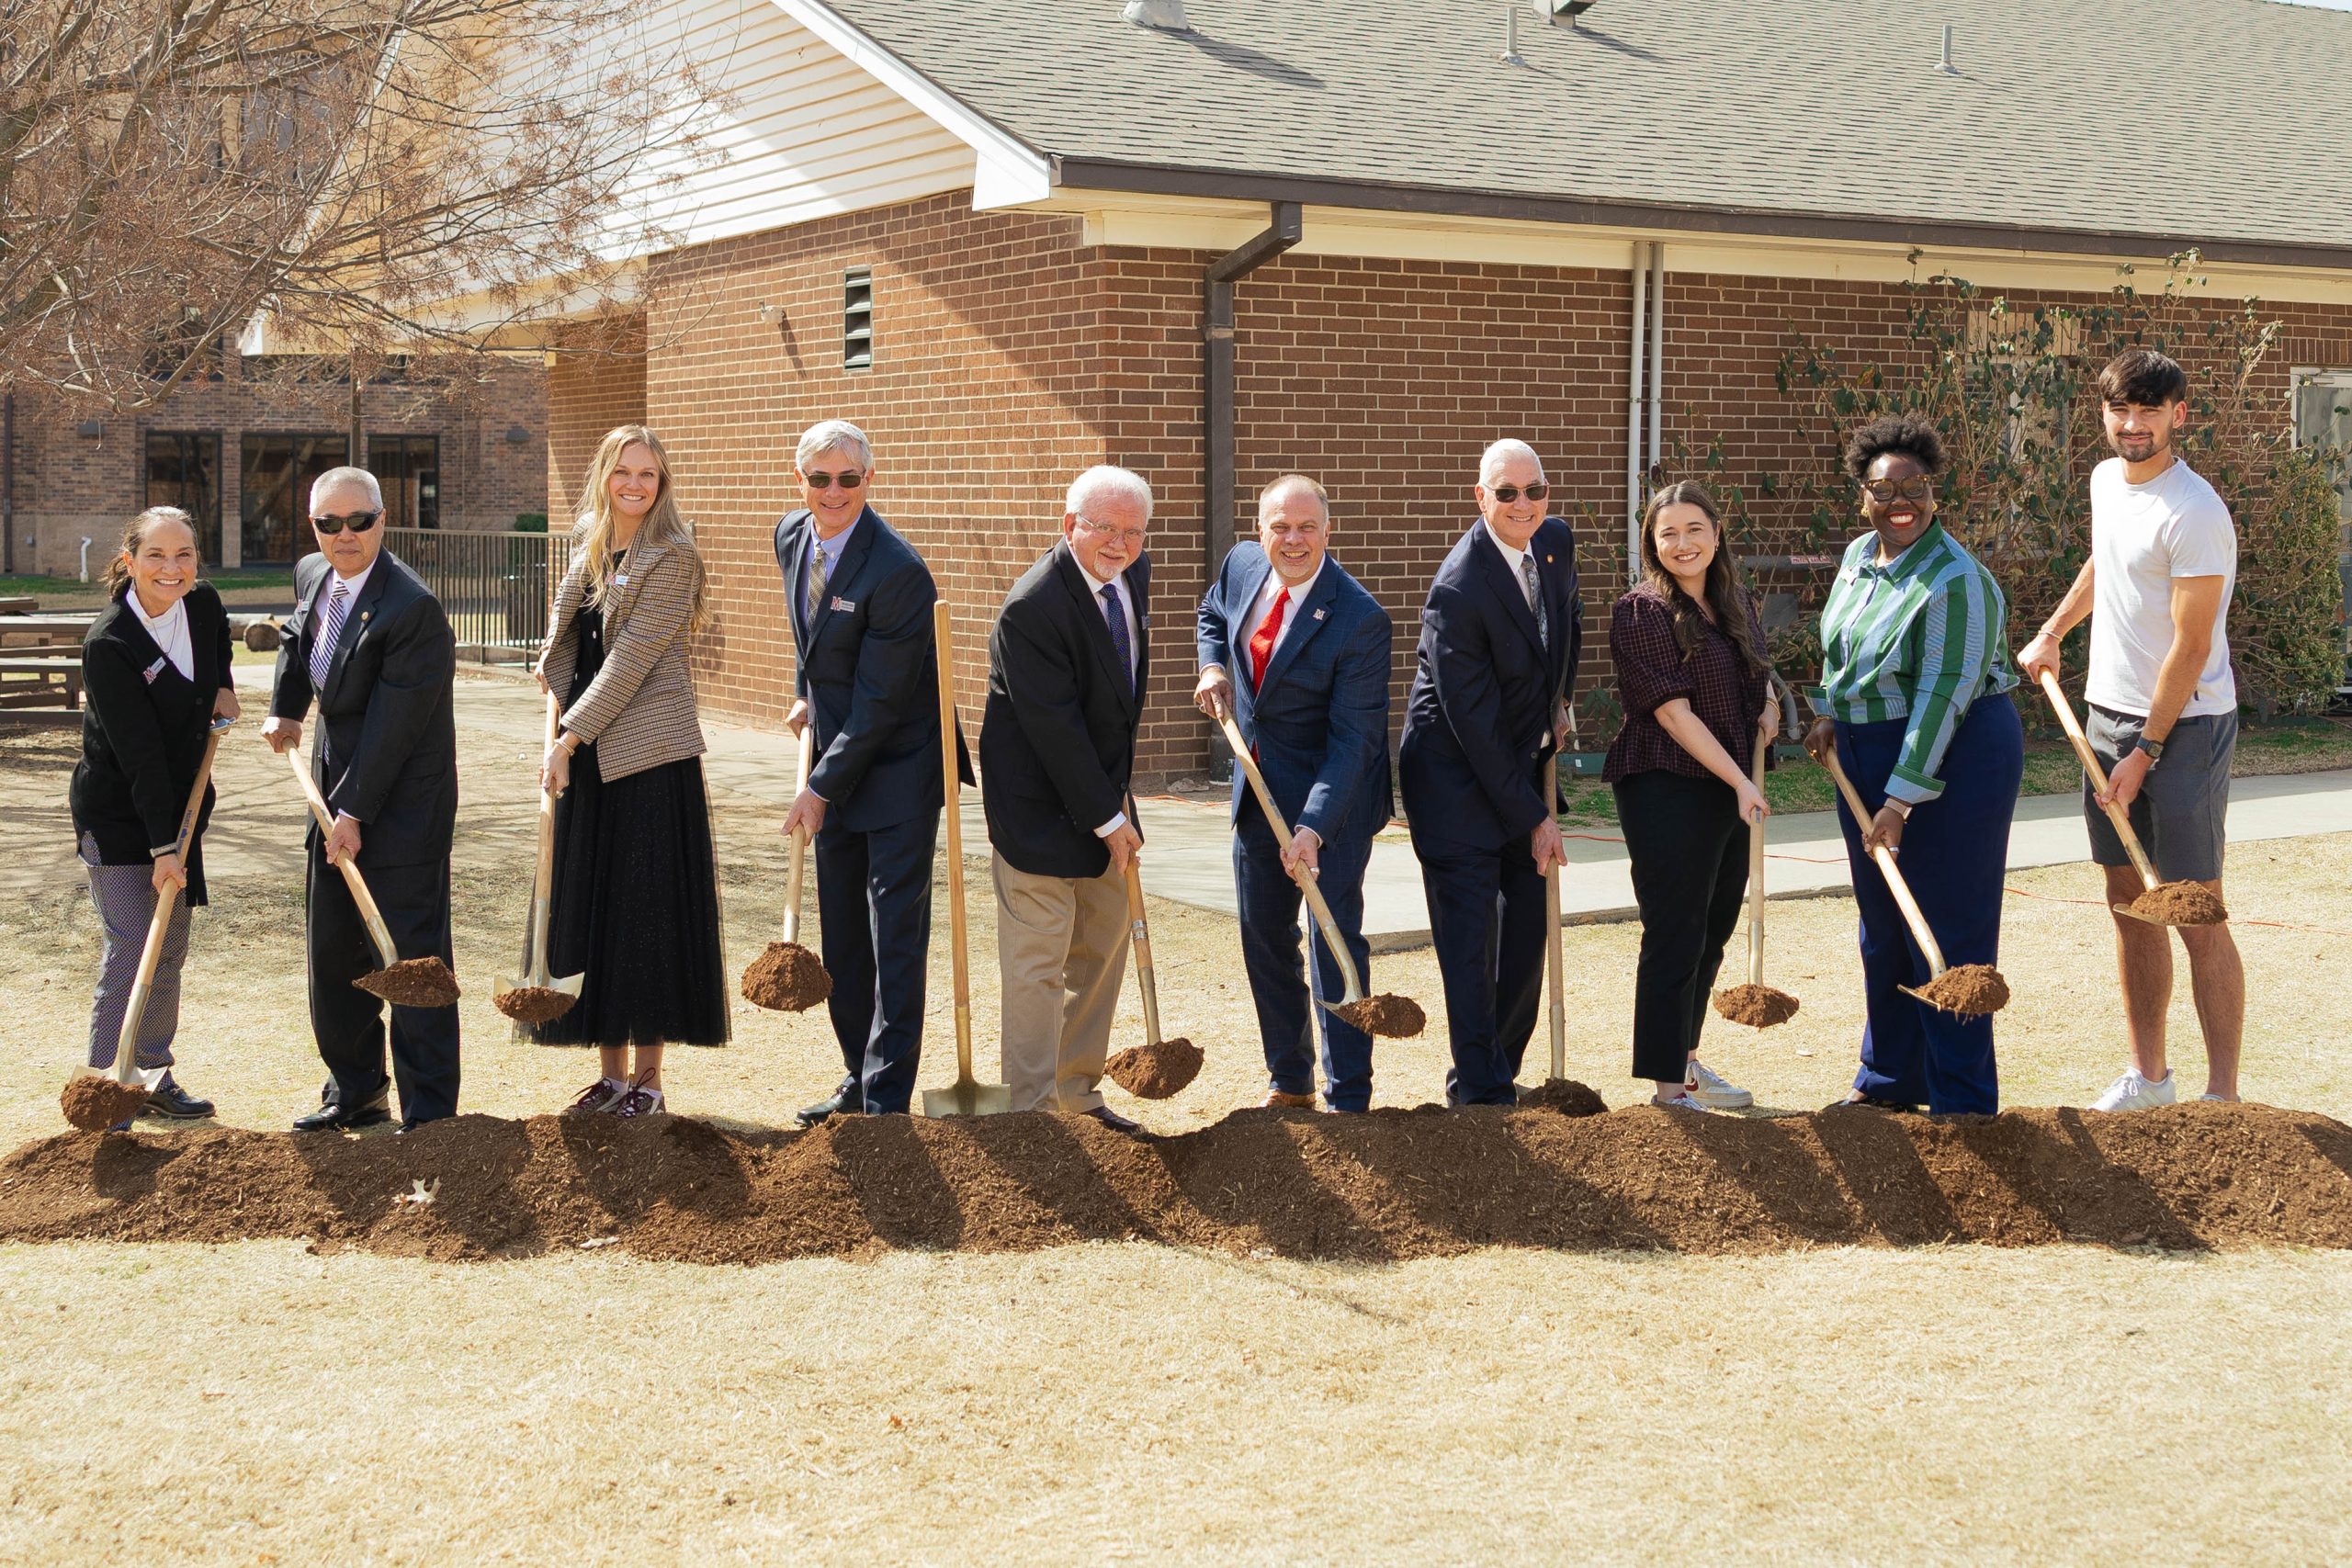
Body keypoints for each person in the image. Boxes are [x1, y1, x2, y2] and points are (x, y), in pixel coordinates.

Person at [2017, 348, 2245, 1110]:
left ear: (2179, 416)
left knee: (2191, 905)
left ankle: (2221, 1095)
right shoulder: (2105, 482)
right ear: (2104, 413)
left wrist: (2146, 750)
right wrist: (2052, 630)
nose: (2133, 425)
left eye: (2150, 411)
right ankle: (2150, 1077)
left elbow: (2190, 644)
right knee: (2127, 898)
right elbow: (2105, 562)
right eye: (2122, 410)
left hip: (2185, 725)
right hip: (2104, 716)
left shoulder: (2196, 513)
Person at [1803, 414, 2023, 1117]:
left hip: (1955, 753)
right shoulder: (1857, 558)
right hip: (1867, 746)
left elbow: (1943, 694)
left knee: (1947, 927)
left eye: (1915, 487)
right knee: (1883, 923)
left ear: (1934, 493)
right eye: (1883, 488)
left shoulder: (1957, 578)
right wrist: (1832, 710)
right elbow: (1844, 651)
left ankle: (1961, 1102)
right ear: (1861, 497)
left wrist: (1900, 800)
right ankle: (1890, 1081)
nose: (1901, 501)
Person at [773, 420, 967, 1127]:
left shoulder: (898, 571)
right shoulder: (790, 536)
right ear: (800, 481)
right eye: (819, 478)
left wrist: (820, 787)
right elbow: (811, 634)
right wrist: (804, 690)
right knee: (843, 936)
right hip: (835, 753)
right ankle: (857, 1078)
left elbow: (883, 701)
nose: (833, 492)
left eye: (848, 479)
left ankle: (885, 1105)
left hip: (898, 770)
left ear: (868, 482)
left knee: (893, 937)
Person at [531, 425, 729, 1116]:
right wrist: (552, 683)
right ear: (605, 477)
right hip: (587, 751)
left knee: (647, 916)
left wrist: (568, 738)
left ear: (663, 483)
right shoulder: (590, 542)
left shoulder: (672, 556)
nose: (636, 485)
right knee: (599, 911)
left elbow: (630, 661)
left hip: (645, 756)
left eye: (649, 474)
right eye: (625, 472)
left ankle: (649, 1080)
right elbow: (570, 638)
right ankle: (611, 1076)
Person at [265, 467, 461, 1132]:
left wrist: (354, 814)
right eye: (328, 523)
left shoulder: (413, 609)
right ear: (313, 525)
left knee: (411, 966)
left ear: (383, 518)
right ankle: (356, 1091)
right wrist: (286, 708)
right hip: (331, 796)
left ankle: (431, 1117)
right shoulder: (313, 575)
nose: (344, 535)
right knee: (335, 957)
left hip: (401, 806)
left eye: (359, 521)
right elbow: (297, 637)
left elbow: (392, 731)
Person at [1194, 474, 1393, 1112]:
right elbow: (1211, 611)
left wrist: (1311, 828)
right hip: (1256, 793)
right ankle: (1290, 1079)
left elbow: (1353, 743)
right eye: (1280, 526)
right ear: (1261, 532)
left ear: (1328, 531)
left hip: (1330, 803)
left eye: (1308, 527)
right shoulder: (1243, 566)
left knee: (1334, 938)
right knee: (1264, 936)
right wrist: (1213, 666)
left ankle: (1349, 1093)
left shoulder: (1360, 619)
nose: (1294, 539)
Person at [1397, 439, 1581, 1107]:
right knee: (1472, 943)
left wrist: (1557, 700)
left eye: (1533, 490)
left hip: (1518, 763)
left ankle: (1497, 1066)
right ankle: (1480, 1095)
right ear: (1481, 498)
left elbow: (1568, 620)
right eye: (1505, 493)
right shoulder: (1459, 587)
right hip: (1454, 780)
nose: (1522, 505)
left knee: (1528, 925)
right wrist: (1534, 816)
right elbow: (1471, 726)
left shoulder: (1554, 544)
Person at [980, 465, 1155, 1134]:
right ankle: (1031, 1116)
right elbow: (1055, 728)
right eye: (1102, 528)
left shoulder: (1130, 576)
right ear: (1069, 525)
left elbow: (1113, 705)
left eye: (1131, 532)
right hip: (1037, 811)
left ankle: (1078, 1096)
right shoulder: (1034, 607)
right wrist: (1109, 819)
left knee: (1101, 953)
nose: (1117, 543)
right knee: (1038, 965)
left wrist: (1117, 811)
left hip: (1103, 800)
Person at [1605, 482, 1777, 1111]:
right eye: (1668, 533)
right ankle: (1667, 1090)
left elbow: (1755, 673)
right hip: (1666, 786)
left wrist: (1771, 703)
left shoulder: (1734, 601)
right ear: (1653, 543)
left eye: (1694, 529)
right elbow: (1673, 713)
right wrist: (1739, 780)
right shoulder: (1641, 611)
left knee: (1713, 930)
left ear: (1716, 532)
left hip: (1728, 784)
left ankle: (1688, 1059)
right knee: (1675, 930)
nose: (1683, 544)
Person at [70, 506, 239, 1122]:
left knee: (168, 948)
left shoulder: (202, 603)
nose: (172, 569)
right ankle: (107, 1088)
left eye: (185, 555)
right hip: (120, 816)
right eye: (157, 556)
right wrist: (162, 848)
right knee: (135, 941)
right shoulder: (110, 643)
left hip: (182, 808)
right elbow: (137, 755)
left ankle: (151, 1074)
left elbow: (217, 638)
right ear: (130, 560)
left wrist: (223, 683)